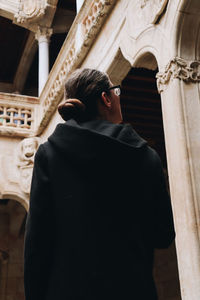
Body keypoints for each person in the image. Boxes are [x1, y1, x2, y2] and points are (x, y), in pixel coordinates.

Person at [24, 68, 175, 300]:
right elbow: (163, 235)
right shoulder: (146, 157)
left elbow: (37, 245)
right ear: (106, 99)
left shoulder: (49, 154)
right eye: (116, 92)